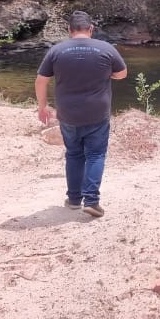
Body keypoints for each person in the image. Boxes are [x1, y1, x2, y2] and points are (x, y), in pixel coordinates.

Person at [36, 11, 127, 218]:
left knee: (74, 154)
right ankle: (92, 200)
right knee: (95, 154)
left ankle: (75, 199)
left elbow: (41, 80)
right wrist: (107, 74)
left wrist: (43, 107)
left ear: (69, 30)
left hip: (67, 114)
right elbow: (122, 74)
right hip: (97, 113)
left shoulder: (56, 51)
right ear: (91, 29)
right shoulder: (106, 48)